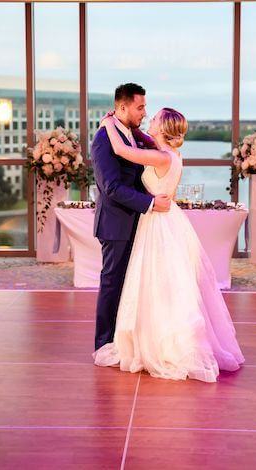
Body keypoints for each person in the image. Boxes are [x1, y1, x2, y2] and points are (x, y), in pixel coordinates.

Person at [93, 107, 245, 383]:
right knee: (168, 283)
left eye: (153, 119)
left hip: (158, 223)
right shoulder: (171, 155)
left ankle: (163, 345)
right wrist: (130, 126)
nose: (148, 120)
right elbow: (142, 140)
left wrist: (108, 123)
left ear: (162, 128)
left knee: (156, 282)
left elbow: (122, 150)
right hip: (167, 218)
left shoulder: (161, 157)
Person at [91, 83, 171, 353]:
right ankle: (103, 343)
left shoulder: (130, 133)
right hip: (115, 224)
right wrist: (149, 202)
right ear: (122, 107)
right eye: (140, 107)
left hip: (136, 220)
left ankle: (123, 341)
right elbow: (110, 187)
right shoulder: (104, 138)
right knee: (112, 283)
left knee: (129, 283)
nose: (144, 112)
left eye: (145, 107)